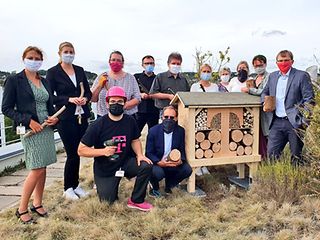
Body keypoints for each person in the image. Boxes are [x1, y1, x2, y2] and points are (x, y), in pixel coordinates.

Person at [2, 46, 58, 223]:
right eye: (31, 57)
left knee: (44, 167)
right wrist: (28, 121)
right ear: (24, 58)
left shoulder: (45, 81)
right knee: (37, 168)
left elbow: (50, 104)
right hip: (30, 130)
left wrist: (53, 119)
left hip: (46, 128)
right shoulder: (14, 80)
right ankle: (21, 208)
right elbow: (6, 109)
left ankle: (38, 202)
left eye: (37, 58)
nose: (34, 60)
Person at [78, 86, 153, 211]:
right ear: (107, 104)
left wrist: (140, 155)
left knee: (146, 165)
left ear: (124, 103)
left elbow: (135, 140)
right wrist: (103, 151)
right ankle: (106, 184)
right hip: (106, 169)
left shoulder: (130, 121)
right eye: (113, 101)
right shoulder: (98, 125)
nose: (116, 104)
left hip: (125, 162)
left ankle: (136, 200)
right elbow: (81, 150)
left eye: (120, 102)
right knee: (108, 201)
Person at [46, 42, 92, 200]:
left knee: (78, 152)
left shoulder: (79, 70)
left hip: (81, 116)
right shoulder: (53, 72)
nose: (69, 54)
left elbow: (88, 91)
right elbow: (50, 96)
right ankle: (67, 188)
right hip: (65, 117)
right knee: (72, 153)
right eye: (66, 51)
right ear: (59, 53)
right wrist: (69, 99)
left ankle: (76, 184)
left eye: (71, 51)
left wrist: (85, 98)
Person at [261, 50, 314, 165]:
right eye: (280, 61)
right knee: (272, 155)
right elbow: (264, 92)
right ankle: (273, 181)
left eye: (286, 60)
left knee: (296, 156)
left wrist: (304, 121)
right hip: (276, 122)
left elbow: (309, 99)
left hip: (295, 122)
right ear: (276, 63)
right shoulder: (273, 76)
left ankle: (297, 181)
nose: (283, 63)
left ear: (292, 61)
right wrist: (265, 102)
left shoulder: (301, 76)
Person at [146, 105, 192, 197]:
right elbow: (149, 153)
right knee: (158, 173)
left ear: (176, 118)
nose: (168, 119)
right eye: (166, 117)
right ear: (162, 117)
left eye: (172, 117)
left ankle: (169, 185)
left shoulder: (180, 131)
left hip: (173, 162)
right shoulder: (153, 131)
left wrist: (180, 160)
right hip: (158, 162)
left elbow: (181, 149)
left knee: (187, 170)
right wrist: (159, 162)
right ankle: (154, 186)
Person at [91, 50, 141, 118]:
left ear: (122, 63)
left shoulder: (130, 78)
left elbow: (137, 98)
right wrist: (99, 85)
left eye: (118, 60)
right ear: (109, 62)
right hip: (104, 117)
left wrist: (123, 106)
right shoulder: (101, 76)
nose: (115, 62)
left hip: (126, 117)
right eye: (113, 60)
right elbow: (93, 99)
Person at [241, 55, 271, 158]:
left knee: (266, 136)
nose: (258, 67)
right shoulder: (254, 78)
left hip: (265, 112)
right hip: (253, 112)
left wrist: (249, 90)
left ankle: (267, 161)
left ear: (265, 64)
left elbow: (263, 91)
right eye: (256, 65)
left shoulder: (269, 77)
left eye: (260, 65)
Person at [133, 55, 159, 133]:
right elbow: (133, 91)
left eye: (151, 63)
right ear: (142, 65)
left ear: (154, 64)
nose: (149, 65)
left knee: (153, 134)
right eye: (147, 63)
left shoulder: (158, 78)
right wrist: (140, 95)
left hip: (154, 110)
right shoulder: (136, 77)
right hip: (139, 110)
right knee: (135, 133)